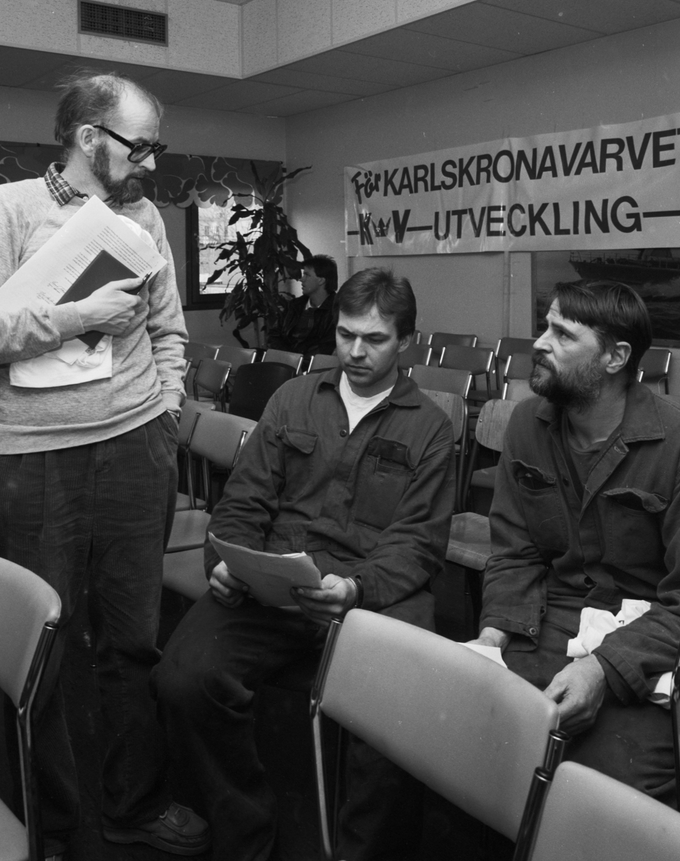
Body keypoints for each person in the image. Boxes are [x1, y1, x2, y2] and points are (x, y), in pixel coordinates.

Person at [0, 70, 207, 857]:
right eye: (139, 145)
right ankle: (51, 822)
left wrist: (165, 406)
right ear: (89, 137)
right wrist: (75, 316)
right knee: (45, 645)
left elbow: (168, 329)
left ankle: (132, 806)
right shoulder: (12, 208)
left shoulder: (144, 216)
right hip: (37, 460)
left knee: (133, 640)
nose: (150, 161)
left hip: (137, 449)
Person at [154, 268, 455, 861]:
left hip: (376, 591)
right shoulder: (294, 399)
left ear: (407, 341)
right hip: (277, 580)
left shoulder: (430, 427)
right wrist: (224, 561)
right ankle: (247, 831)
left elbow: (418, 543)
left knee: (396, 720)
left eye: (375, 339)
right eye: (345, 335)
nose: (356, 352)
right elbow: (242, 502)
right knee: (181, 680)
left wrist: (356, 587)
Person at [474, 280, 680, 801]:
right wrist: (492, 639)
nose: (540, 343)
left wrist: (601, 669)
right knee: (471, 743)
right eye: (545, 326)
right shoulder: (526, 424)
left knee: (604, 794)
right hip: (549, 622)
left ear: (615, 358)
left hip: (651, 642)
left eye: (563, 334)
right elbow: (515, 553)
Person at [265, 253, 339, 356]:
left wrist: (297, 360)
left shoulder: (337, 310)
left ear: (321, 280)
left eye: (307, 275)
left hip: (313, 364)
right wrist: (289, 358)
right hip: (285, 361)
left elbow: (326, 347)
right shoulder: (294, 305)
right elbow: (274, 335)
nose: (301, 279)